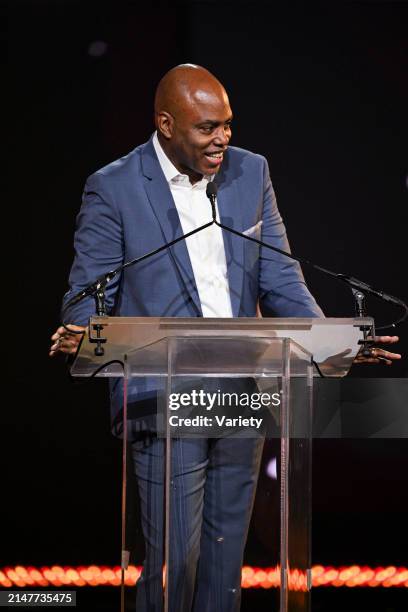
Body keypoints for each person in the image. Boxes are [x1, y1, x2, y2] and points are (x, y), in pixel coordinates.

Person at [49, 64, 400, 611]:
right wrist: (84, 330)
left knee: (224, 565)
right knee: (175, 564)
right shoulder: (114, 186)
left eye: (228, 125)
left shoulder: (250, 172)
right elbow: (85, 296)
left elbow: (281, 276)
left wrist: (329, 341)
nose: (223, 139)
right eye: (206, 128)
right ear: (166, 124)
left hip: (245, 389)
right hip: (166, 397)